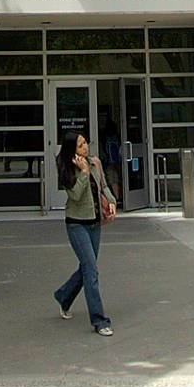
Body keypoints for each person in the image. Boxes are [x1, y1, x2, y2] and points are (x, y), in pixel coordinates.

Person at [53, 131, 116, 336]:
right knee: (91, 271)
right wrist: (83, 172)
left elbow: (103, 186)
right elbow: (76, 195)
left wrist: (112, 201)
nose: (85, 147)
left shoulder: (95, 162)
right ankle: (99, 320)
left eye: (85, 143)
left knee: (87, 269)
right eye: (80, 146)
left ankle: (64, 296)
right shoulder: (67, 169)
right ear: (72, 150)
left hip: (94, 223)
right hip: (76, 225)